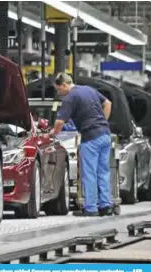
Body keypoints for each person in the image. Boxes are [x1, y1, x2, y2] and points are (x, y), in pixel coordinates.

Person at [46, 73, 113, 216]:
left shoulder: (70, 97)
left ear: (64, 84)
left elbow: (59, 122)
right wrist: (103, 121)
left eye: (59, 90)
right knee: (103, 171)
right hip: (105, 134)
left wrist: (52, 133)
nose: (59, 93)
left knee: (89, 173)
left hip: (91, 137)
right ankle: (106, 206)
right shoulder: (89, 89)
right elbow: (108, 103)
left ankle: (91, 208)